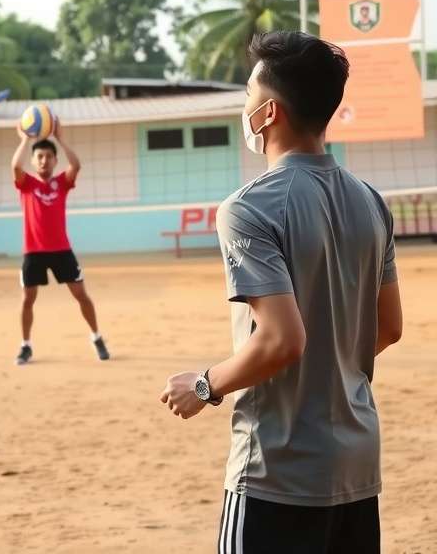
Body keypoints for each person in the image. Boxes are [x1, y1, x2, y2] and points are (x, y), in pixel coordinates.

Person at [159, 31, 403, 553]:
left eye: (249, 92)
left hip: (277, 471)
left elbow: (281, 340)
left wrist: (205, 386)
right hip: (357, 467)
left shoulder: (248, 208)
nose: (243, 104)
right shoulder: (372, 203)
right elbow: (388, 329)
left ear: (268, 112)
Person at [11, 120, 111, 364]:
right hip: (34, 252)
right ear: (34, 161)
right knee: (27, 300)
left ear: (55, 160)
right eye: (39, 157)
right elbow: (15, 165)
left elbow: (76, 164)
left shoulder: (61, 183)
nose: (44, 160)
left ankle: (96, 337)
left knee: (81, 295)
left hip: (62, 251)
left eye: (48, 156)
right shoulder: (27, 184)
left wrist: (59, 138)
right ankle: (26, 346)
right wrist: (25, 139)